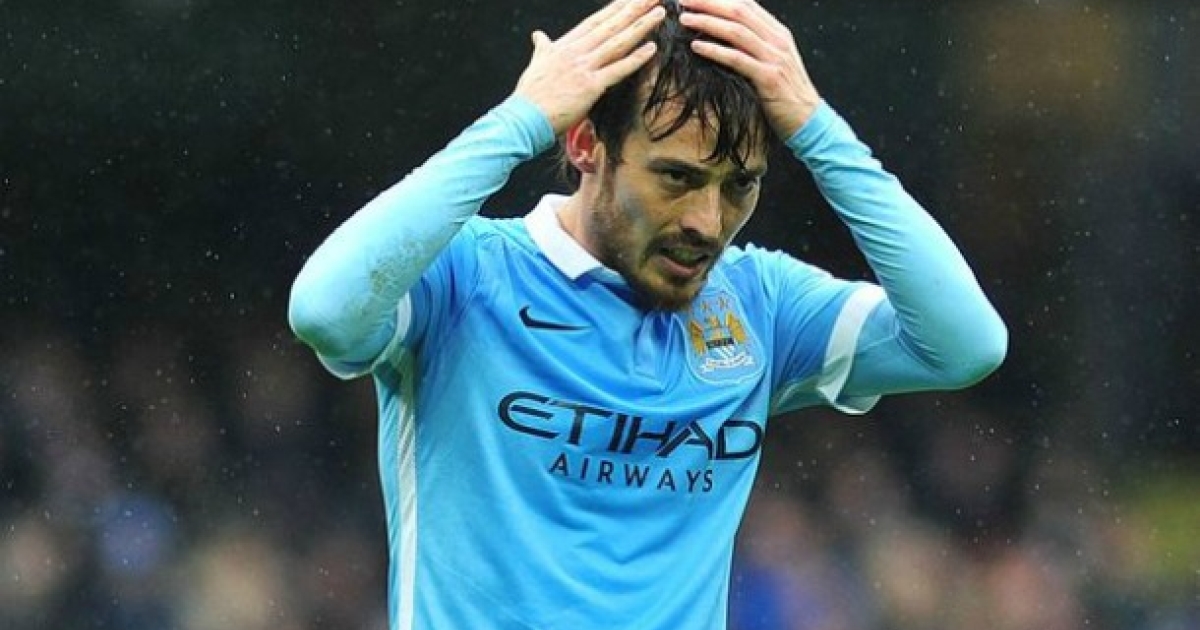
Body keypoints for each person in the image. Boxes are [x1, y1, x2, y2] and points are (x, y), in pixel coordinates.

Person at [287, 0, 1007, 627]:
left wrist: (818, 129)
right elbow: (325, 310)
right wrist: (518, 120)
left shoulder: (759, 303)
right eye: (676, 177)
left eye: (738, 186)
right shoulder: (467, 275)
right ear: (584, 144)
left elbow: (965, 344)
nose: (706, 221)